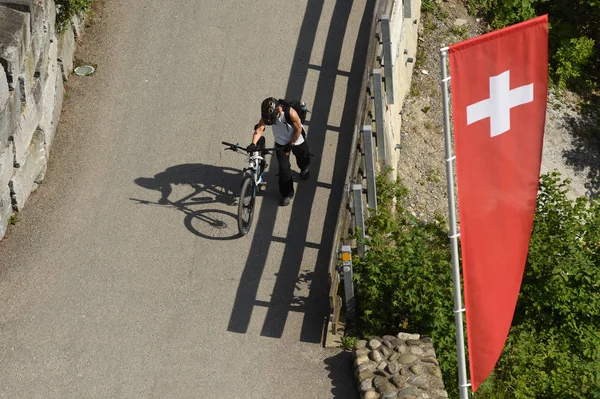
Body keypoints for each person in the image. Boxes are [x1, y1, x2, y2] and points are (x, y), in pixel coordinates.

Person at [247, 97, 310, 206]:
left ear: (278, 110)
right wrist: (253, 143)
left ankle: (304, 167)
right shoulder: (267, 115)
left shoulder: (290, 113)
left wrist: (291, 144)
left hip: (297, 138)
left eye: (272, 119)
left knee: (301, 155)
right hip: (281, 143)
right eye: (267, 119)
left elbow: (298, 129)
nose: (269, 121)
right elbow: (260, 129)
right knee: (283, 169)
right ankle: (287, 194)